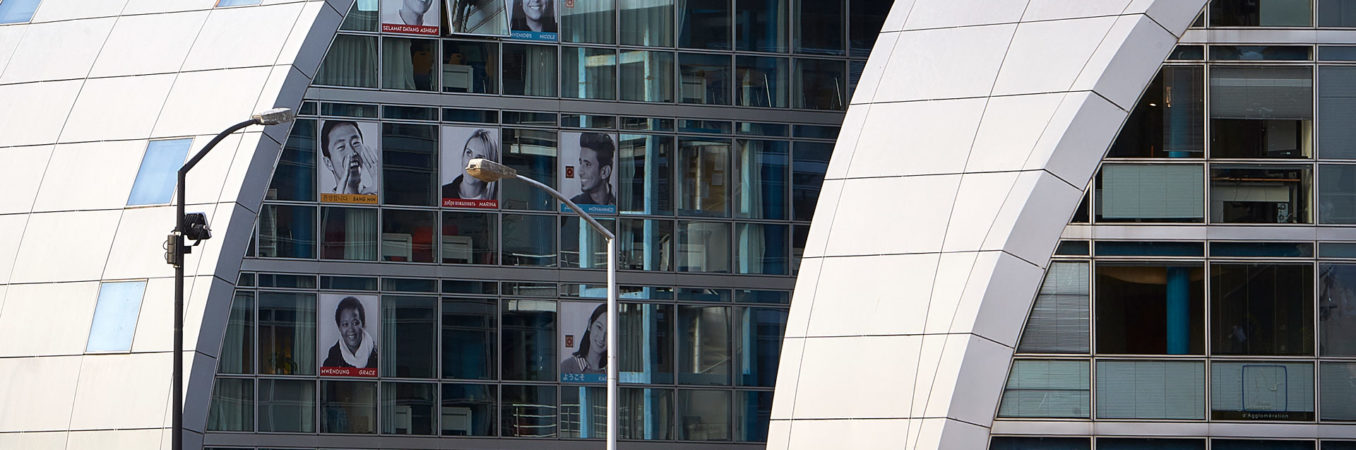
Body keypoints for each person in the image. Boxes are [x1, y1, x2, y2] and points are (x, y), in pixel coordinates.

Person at [321, 120, 379, 196]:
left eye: (356, 143)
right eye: (341, 147)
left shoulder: (376, 194)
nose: (352, 153)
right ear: (328, 163)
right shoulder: (324, 204)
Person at [442, 129, 499, 200]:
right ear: (462, 157)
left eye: (479, 158)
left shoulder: (497, 198)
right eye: (469, 153)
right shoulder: (442, 194)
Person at [323, 297, 378, 368]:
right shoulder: (332, 361)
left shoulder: (378, 356)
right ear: (339, 328)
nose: (351, 329)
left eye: (355, 323)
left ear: (363, 324)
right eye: (345, 324)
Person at [568, 132, 615, 206]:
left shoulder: (620, 206)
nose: (580, 172)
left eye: (587, 164)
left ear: (605, 172)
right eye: (581, 163)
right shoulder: (572, 206)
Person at [560, 304, 606, 375]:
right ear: (590, 324)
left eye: (609, 333)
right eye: (599, 327)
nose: (602, 337)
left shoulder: (613, 371)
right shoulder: (567, 367)